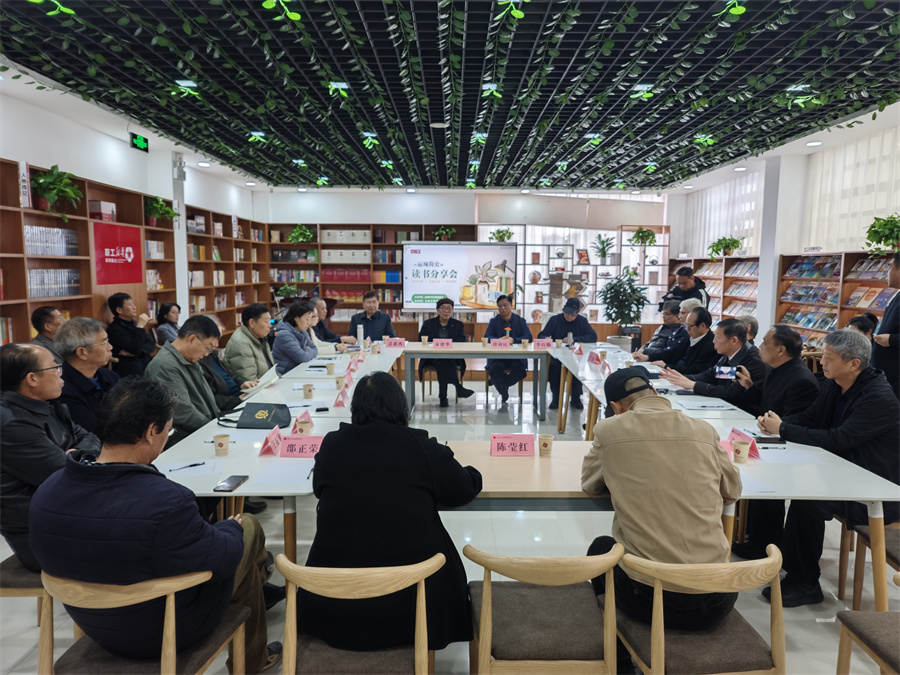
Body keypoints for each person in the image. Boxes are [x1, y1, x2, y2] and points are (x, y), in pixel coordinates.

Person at [28, 378, 282, 673]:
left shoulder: (48, 492)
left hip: (94, 626)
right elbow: (224, 560)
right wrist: (230, 528)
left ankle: (259, 591)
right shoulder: (166, 501)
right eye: (168, 430)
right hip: (165, 629)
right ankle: (252, 659)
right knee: (246, 529)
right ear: (151, 432)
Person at [299, 372, 482, 651]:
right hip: (414, 606)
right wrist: (472, 471)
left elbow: (318, 488)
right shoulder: (420, 447)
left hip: (336, 605)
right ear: (400, 407)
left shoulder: (333, 444)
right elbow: (463, 489)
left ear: (356, 408)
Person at [582, 367, 741, 665]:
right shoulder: (703, 430)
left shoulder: (609, 430)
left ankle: (619, 660)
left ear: (616, 407)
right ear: (655, 393)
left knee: (601, 548)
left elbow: (590, 485)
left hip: (648, 599)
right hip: (717, 596)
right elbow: (732, 491)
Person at [757, 329, 900, 607]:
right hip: (842, 470)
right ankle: (767, 550)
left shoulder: (878, 397)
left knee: (808, 499)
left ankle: (805, 583)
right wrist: (774, 424)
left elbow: (839, 439)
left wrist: (783, 429)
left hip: (874, 485)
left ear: (853, 363)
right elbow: (811, 418)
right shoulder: (835, 384)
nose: (821, 362)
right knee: (783, 480)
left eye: (828, 357)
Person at [0, 344, 100, 571]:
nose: (61, 374)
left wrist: (72, 453)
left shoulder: (45, 404)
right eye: (55, 368)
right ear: (32, 379)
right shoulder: (11, 423)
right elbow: (66, 475)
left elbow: (90, 437)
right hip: (42, 531)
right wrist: (76, 455)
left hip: (66, 509)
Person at [729, 325, 820, 560]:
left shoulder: (801, 379)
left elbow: (798, 421)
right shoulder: (774, 369)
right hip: (770, 437)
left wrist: (774, 424)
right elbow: (765, 401)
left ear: (780, 350)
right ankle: (755, 538)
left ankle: (766, 545)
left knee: (761, 474)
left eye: (764, 344)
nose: (759, 347)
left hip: (793, 450)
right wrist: (750, 387)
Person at [144, 315, 221, 446]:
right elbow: (182, 412)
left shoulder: (189, 358)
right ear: (192, 339)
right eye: (208, 348)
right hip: (185, 438)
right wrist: (214, 430)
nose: (206, 354)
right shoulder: (165, 365)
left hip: (203, 429)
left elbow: (206, 398)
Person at [660, 318, 766, 413]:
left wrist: (693, 385)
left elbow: (731, 393)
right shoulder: (729, 354)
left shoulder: (753, 360)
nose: (714, 341)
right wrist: (681, 379)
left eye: (717, 337)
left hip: (745, 415)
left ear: (734, 340)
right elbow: (711, 376)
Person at [55, 317, 120, 433]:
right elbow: (94, 432)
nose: (110, 347)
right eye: (104, 342)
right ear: (82, 352)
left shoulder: (110, 376)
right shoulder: (61, 390)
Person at [538, 297, 598, 410]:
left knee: (577, 370)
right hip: (557, 355)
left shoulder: (582, 321)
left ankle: (576, 399)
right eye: (566, 313)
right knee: (554, 369)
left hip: (576, 356)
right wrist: (545, 339)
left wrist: (574, 339)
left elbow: (593, 337)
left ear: (578, 312)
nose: (568, 316)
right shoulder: (554, 320)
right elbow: (541, 335)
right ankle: (556, 399)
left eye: (572, 314)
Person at [418, 298, 474, 407]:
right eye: (443, 308)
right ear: (437, 310)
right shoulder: (428, 323)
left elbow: (462, 340)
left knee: (443, 362)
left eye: (449, 308)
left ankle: (443, 397)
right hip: (431, 357)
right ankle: (457, 388)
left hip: (451, 357)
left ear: (452, 310)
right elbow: (421, 338)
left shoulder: (458, 324)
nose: (446, 311)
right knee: (443, 362)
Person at [483, 295, 531, 404]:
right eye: (500, 306)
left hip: (516, 357)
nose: (502, 308)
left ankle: (501, 383)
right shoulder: (494, 321)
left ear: (511, 305)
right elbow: (487, 337)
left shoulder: (520, 321)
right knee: (494, 370)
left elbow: (528, 337)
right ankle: (503, 392)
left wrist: (514, 340)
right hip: (498, 357)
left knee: (521, 372)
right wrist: (498, 340)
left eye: (505, 305)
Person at [652, 306, 718, 375]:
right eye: (686, 325)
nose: (687, 329)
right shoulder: (689, 336)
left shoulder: (711, 345)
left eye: (690, 326)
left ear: (702, 326)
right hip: (673, 373)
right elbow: (672, 351)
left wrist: (666, 367)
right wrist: (649, 356)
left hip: (683, 377)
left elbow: (694, 371)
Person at [106, 292, 156, 377]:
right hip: (129, 369)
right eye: (130, 305)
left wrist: (138, 353)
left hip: (144, 362)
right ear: (119, 310)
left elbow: (151, 344)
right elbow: (135, 348)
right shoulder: (115, 329)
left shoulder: (134, 323)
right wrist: (140, 327)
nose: (134, 307)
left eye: (133, 304)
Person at [224, 303, 275, 381]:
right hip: (256, 387)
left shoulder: (260, 337)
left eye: (270, 321)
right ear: (252, 323)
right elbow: (250, 380)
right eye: (266, 321)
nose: (270, 325)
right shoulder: (241, 343)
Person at [872, 252, 899, 399]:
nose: (886, 272)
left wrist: (890, 340)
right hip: (885, 374)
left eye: (890, 267)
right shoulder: (897, 294)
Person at [273, 302, 318, 374]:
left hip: (298, 371)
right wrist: (307, 349)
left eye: (310, 319)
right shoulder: (284, 335)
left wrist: (305, 351)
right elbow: (302, 358)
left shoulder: (302, 332)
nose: (309, 323)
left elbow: (315, 348)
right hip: (285, 375)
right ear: (296, 318)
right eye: (307, 319)